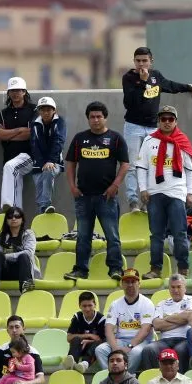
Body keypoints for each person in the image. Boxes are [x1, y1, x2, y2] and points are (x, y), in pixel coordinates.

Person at [121, 47, 192, 213]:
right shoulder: (129, 78)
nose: (141, 64)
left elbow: (170, 85)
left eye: (144, 60)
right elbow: (129, 102)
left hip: (152, 127)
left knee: (151, 164)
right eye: (138, 60)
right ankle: (133, 201)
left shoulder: (156, 76)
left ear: (151, 61)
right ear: (134, 61)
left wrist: (188, 87)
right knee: (133, 164)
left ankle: (147, 200)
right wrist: (142, 82)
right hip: (133, 126)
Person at [64, 101, 130, 282]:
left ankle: (116, 269)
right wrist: (72, 186)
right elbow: (70, 163)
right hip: (83, 197)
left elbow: (125, 164)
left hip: (106, 197)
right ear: (88, 119)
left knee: (112, 236)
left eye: (99, 116)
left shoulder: (115, 139)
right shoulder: (79, 139)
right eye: (92, 117)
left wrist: (115, 185)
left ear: (105, 117)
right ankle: (80, 270)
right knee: (83, 237)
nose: (95, 120)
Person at [136, 106, 192, 279]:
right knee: (156, 235)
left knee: (180, 233)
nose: (167, 122)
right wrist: (143, 188)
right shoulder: (149, 141)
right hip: (154, 194)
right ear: (159, 121)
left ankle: (183, 269)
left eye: (171, 119)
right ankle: (155, 269)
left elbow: (190, 169)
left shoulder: (182, 140)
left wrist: (190, 193)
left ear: (176, 121)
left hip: (177, 193)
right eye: (164, 119)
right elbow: (141, 167)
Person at [7, 96, 65, 215]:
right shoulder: (35, 124)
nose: (46, 112)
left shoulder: (60, 122)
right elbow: (34, 146)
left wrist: (50, 161)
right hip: (38, 164)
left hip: (55, 163)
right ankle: (41, 216)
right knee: (39, 195)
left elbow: (59, 142)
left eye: (49, 109)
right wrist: (42, 162)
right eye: (43, 110)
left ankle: (46, 205)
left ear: (54, 110)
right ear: (39, 111)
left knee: (48, 172)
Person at [95, 269, 155, 374]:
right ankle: (111, 376)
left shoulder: (147, 303)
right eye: (127, 282)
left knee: (135, 353)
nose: (130, 284)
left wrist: (130, 346)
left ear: (139, 283)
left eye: (133, 281)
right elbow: (108, 329)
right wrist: (115, 348)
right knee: (100, 349)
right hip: (121, 340)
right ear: (121, 284)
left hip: (142, 342)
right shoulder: (115, 304)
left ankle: (124, 377)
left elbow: (145, 330)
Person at [0, 77, 37, 210]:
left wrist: (7, 134)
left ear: (24, 92)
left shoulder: (34, 110)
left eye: (18, 90)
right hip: (9, 157)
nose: (15, 93)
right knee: (14, 182)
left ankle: (8, 206)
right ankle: (17, 215)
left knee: (10, 167)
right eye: (12, 90)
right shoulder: (4, 113)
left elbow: (30, 134)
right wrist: (19, 130)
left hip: (29, 156)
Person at [141, 275, 192, 371]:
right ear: (169, 288)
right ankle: (155, 379)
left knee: (179, 350)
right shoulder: (161, 303)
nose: (176, 290)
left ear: (185, 288)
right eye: (173, 287)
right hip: (164, 341)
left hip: (184, 339)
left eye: (179, 287)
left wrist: (167, 318)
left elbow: (190, 317)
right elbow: (157, 325)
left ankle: (181, 380)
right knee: (149, 349)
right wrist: (183, 317)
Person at [0, 205, 40, 294]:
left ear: (22, 219)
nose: (13, 219)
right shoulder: (1, 236)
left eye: (17, 216)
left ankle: (26, 284)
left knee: (24, 256)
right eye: (10, 216)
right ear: (6, 220)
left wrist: (6, 256)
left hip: (22, 271)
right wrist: (4, 257)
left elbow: (29, 253)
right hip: (4, 270)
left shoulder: (29, 234)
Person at [62, 291, 104, 374]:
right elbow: (69, 338)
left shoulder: (101, 318)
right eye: (84, 306)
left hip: (93, 349)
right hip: (80, 346)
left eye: (90, 305)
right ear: (79, 306)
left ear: (95, 305)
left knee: (96, 345)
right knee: (76, 339)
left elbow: (102, 340)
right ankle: (72, 363)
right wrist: (88, 335)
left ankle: (84, 364)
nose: (87, 309)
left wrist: (89, 340)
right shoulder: (77, 317)